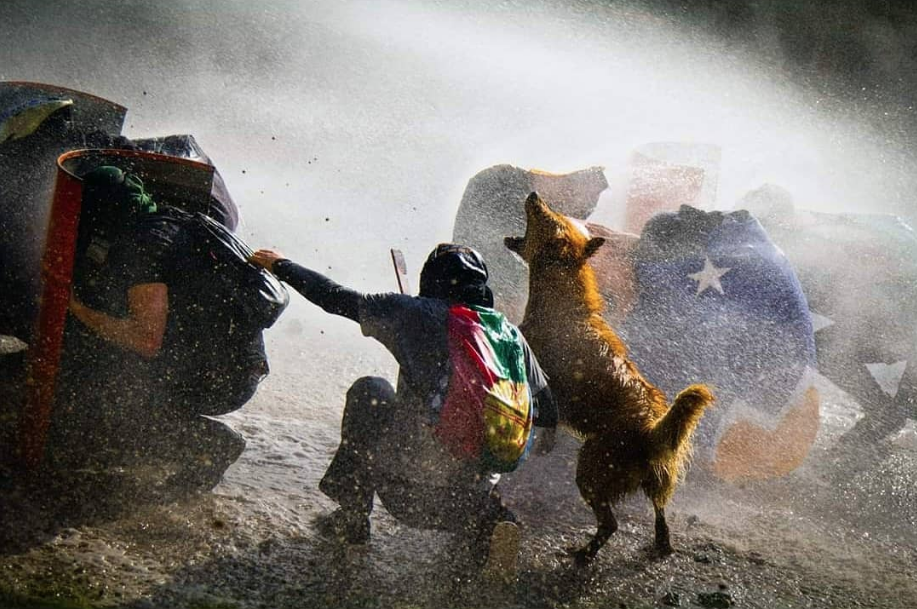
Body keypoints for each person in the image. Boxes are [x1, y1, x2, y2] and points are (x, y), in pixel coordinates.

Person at [250, 243, 558, 573]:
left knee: (371, 390)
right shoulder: (509, 335)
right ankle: (491, 525)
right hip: (468, 502)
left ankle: (352, 520)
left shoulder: (412, 313)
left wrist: (281, 264)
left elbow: (336, 298)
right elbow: (547, 416)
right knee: (489, 455)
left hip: (406, 493)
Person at [49, 165, 246, 491]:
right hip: (225, 361)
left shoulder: (143, 247)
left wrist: (80, 311)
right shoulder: (167, 217)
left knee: (111, 393)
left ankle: (210, 443)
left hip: (220, 377)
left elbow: (145, 339)